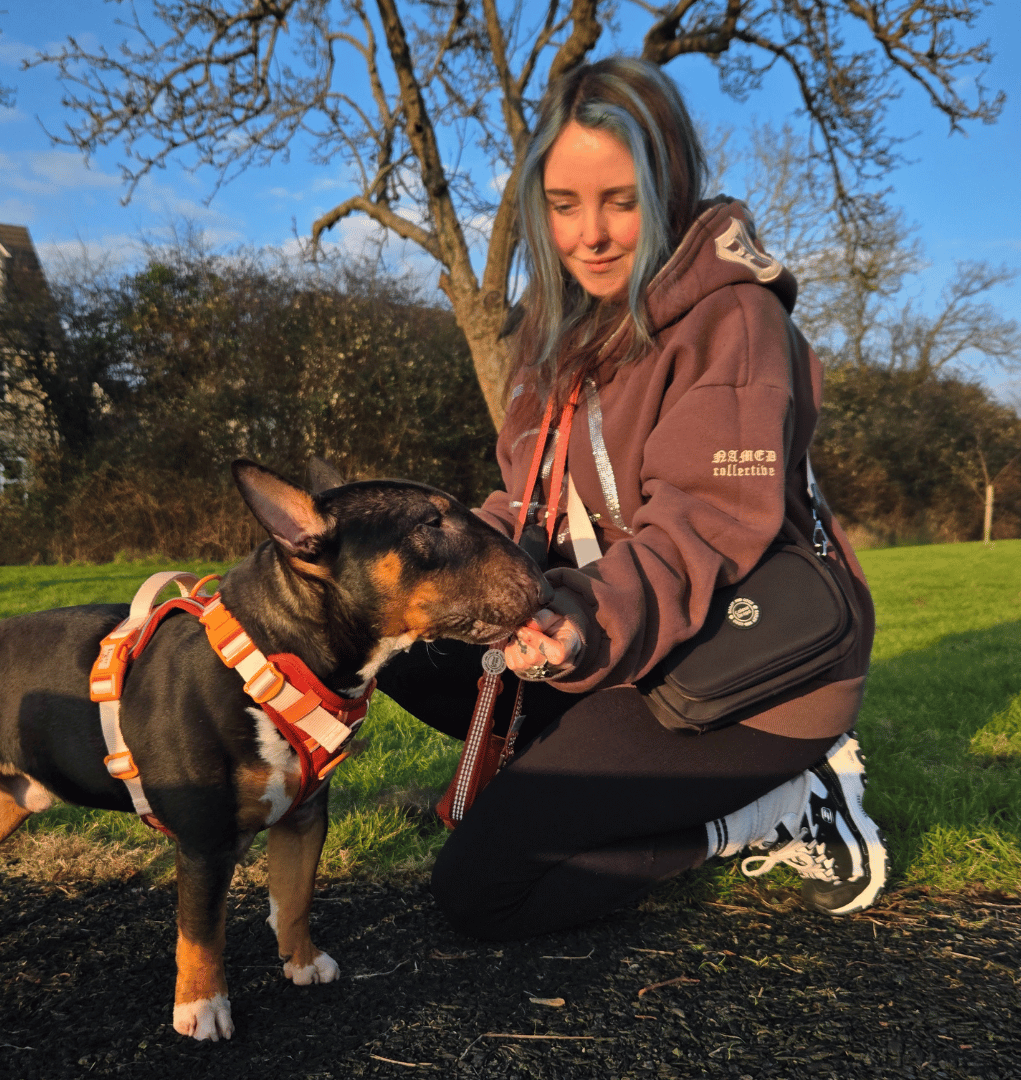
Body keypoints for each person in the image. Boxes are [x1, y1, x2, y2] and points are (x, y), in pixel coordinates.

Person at [377, 56, 886, 940]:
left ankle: (783, 806)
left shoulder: (733, 320)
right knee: (408, 646)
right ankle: (568, 786)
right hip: (635, 640)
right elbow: (525, 501)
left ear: (670, 182)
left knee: (479, 893)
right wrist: (427, 572)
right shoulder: (556, 330)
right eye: (565, 205)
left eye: (622, 199)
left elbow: (703, 526)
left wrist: (575, 619)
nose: (593, 235)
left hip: (750, 675)